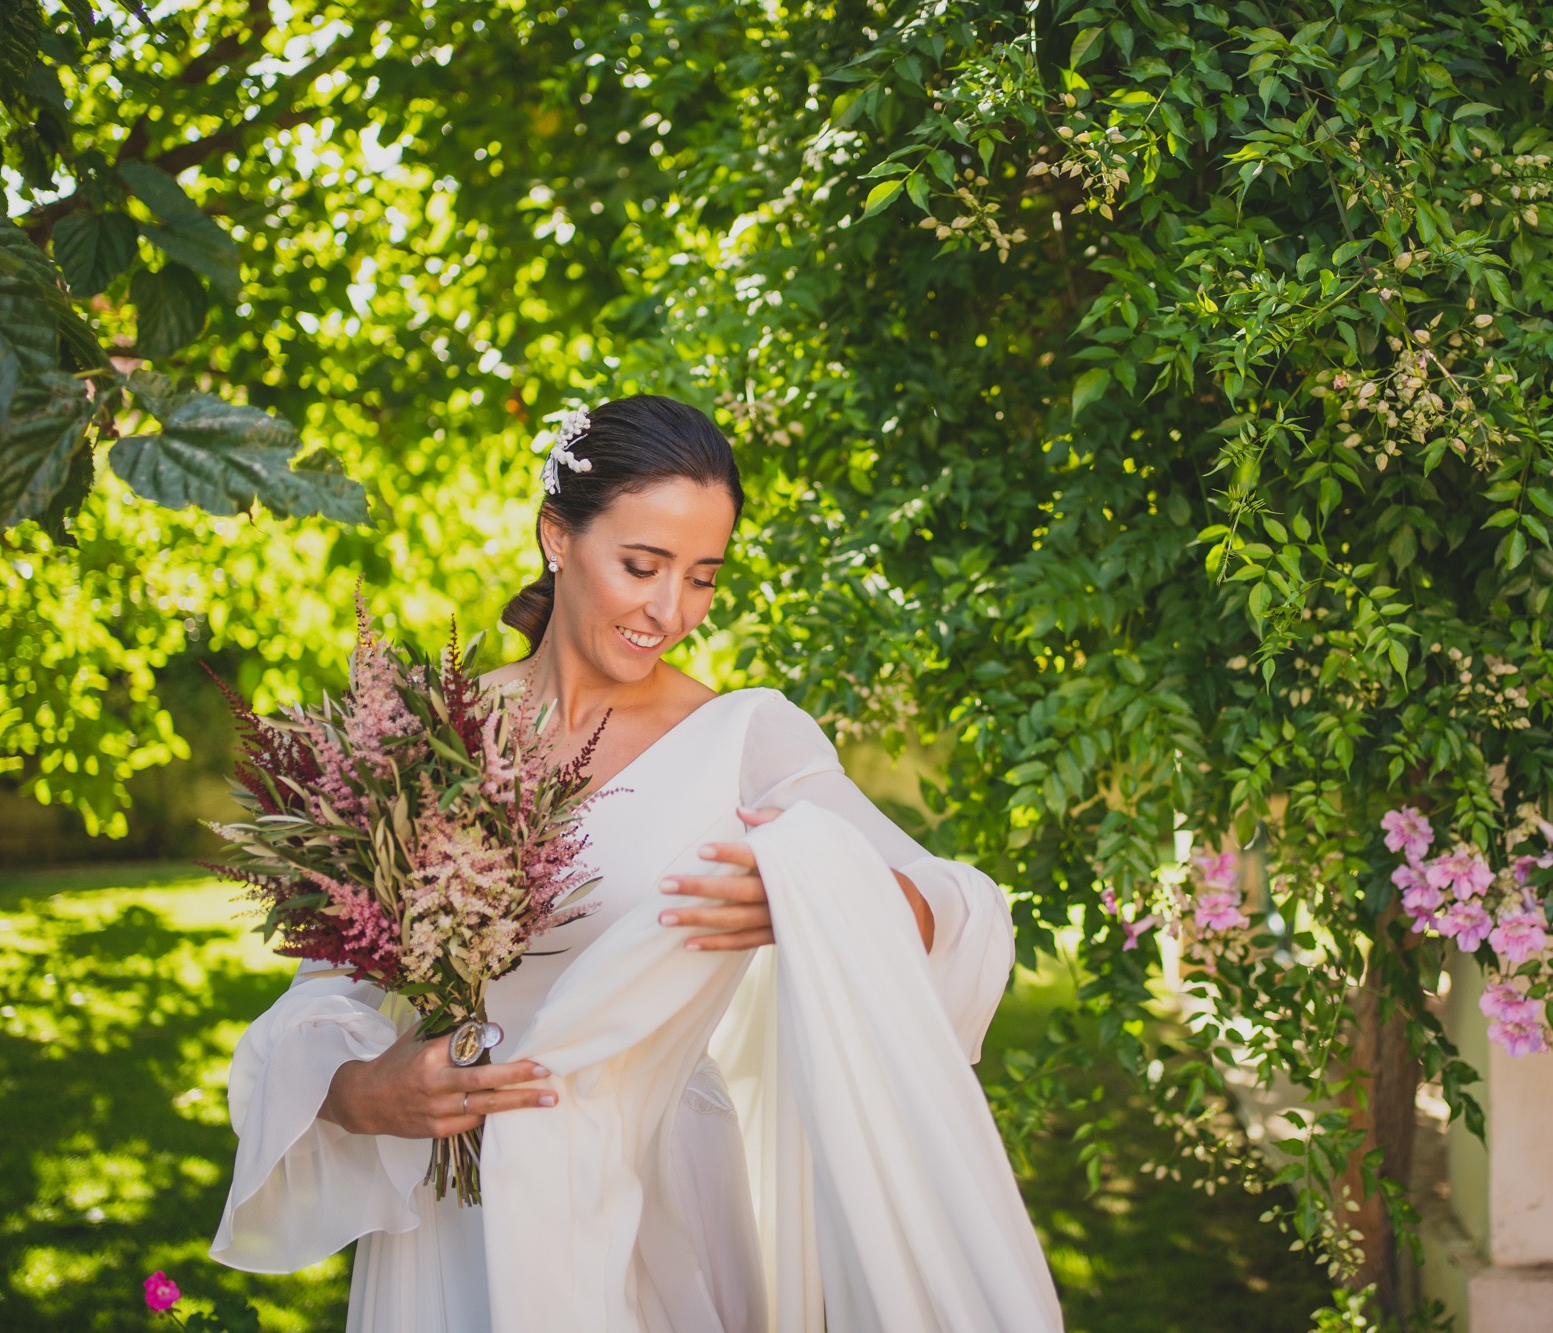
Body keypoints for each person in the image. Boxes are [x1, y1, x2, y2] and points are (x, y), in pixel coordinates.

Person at [210, 395, 1060, 1331]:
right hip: (455, 1220)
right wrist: (369, 1091)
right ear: (557, 537)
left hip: (652, 1191)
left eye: (702, 576)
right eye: (642, 565)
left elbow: (965, 913)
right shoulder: (423, 738)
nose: (671, 610)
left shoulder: (744, 738)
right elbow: (321, 997)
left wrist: (815, 891)